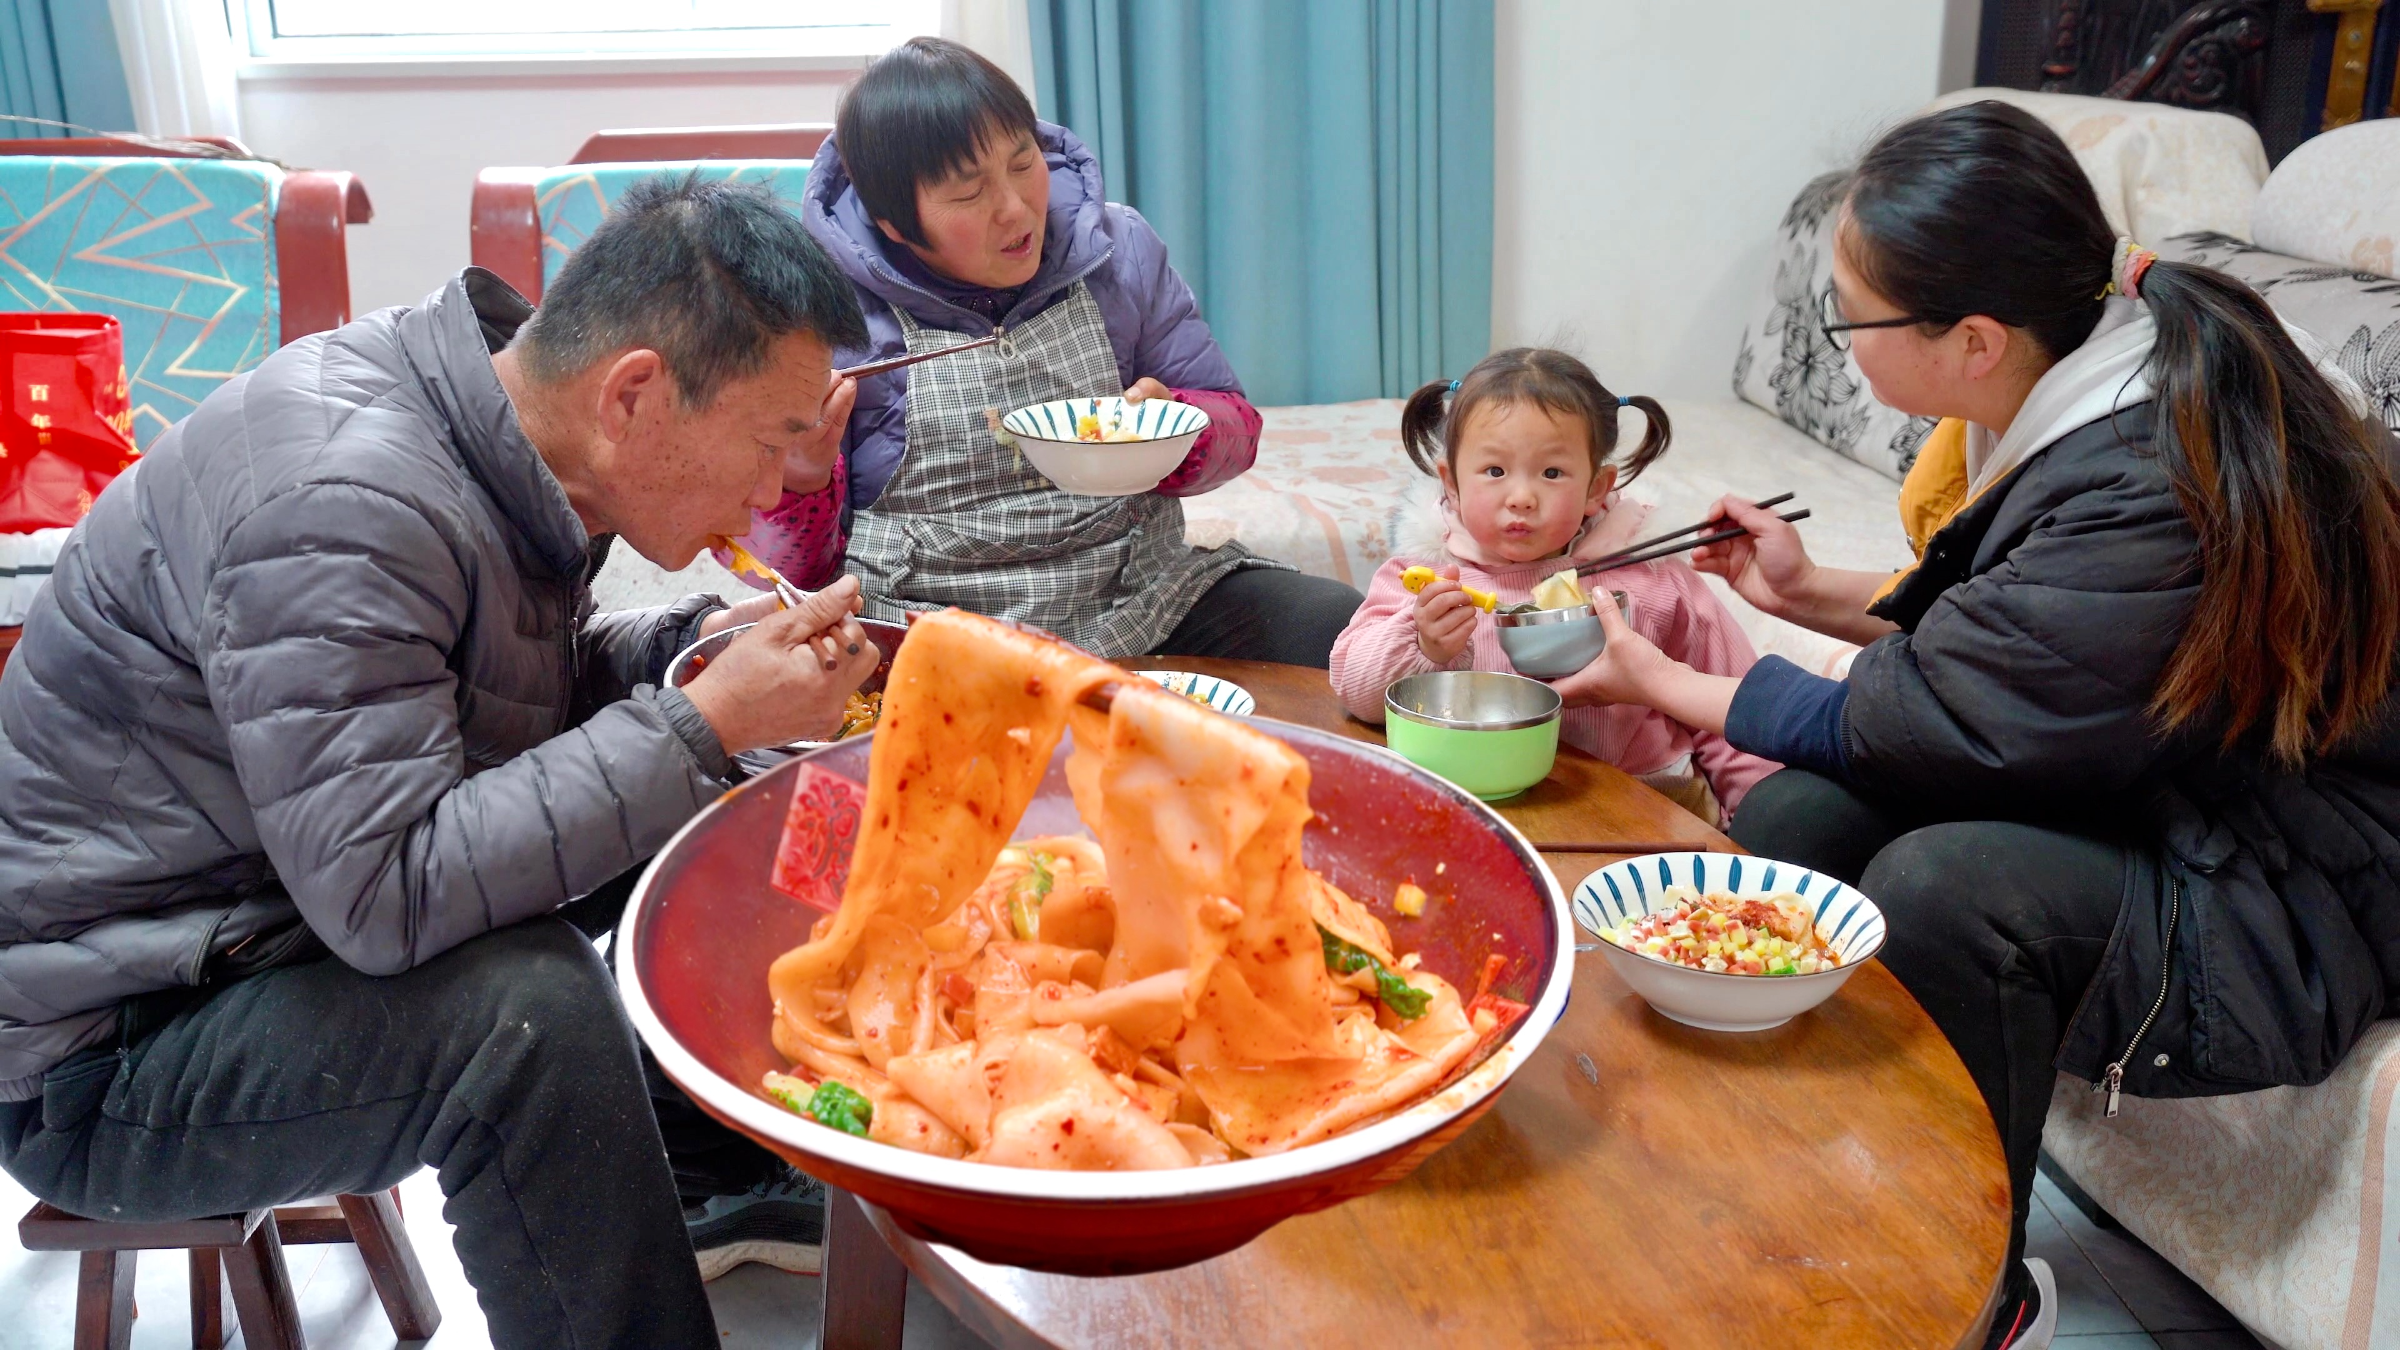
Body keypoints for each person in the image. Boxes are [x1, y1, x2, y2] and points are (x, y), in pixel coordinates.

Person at [1559, 102, 2400, 1350]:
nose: (1838, 342)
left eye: (1850, 317)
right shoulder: (2096, 388)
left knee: (1950, 888)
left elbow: (1961, 714)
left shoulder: (2152, 470)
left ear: (1972, 340)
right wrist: (1801, 594)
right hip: (2178, 785)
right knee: (1796, 815)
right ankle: (1804, 1184)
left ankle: (1973, 1297)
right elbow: (2034, 651)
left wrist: (1658, 678)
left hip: (2303, 882)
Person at [0, 175, 886, 1348]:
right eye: (774, 443)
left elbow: (476, 707)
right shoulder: (343, 503)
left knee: (743, 791)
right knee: (531, 1015)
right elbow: (386, 893)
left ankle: (718, 1169)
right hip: (114, 1043)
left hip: (264, 915)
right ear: (635, 394)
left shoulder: (491, 422)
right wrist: (694, 721)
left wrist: (687, 657)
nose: (781, 489)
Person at [719, 36, 1363, 666]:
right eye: (970, 192)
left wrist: (1174, 435)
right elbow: (780, 570)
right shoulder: (816, 312)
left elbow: (1237, 428)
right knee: (810, 697)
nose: (1016, 208)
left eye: (1023, 163)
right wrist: (799, 477)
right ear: (892, 223)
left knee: (1335, 631)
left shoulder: (1118, 248)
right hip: (926, 623)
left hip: (1138, 593)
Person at [1329, 349, 1776, 826]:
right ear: (1451, 482)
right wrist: (1421, 643)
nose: (1522, 498)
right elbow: (1355, 693)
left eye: (1552, 473)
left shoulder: (1653, 580)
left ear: (1596, 489)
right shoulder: (1422, 577)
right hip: (1477, 807)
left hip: (1645, 809)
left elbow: (1739, 708)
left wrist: (1756, 822)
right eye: (1495, 472)